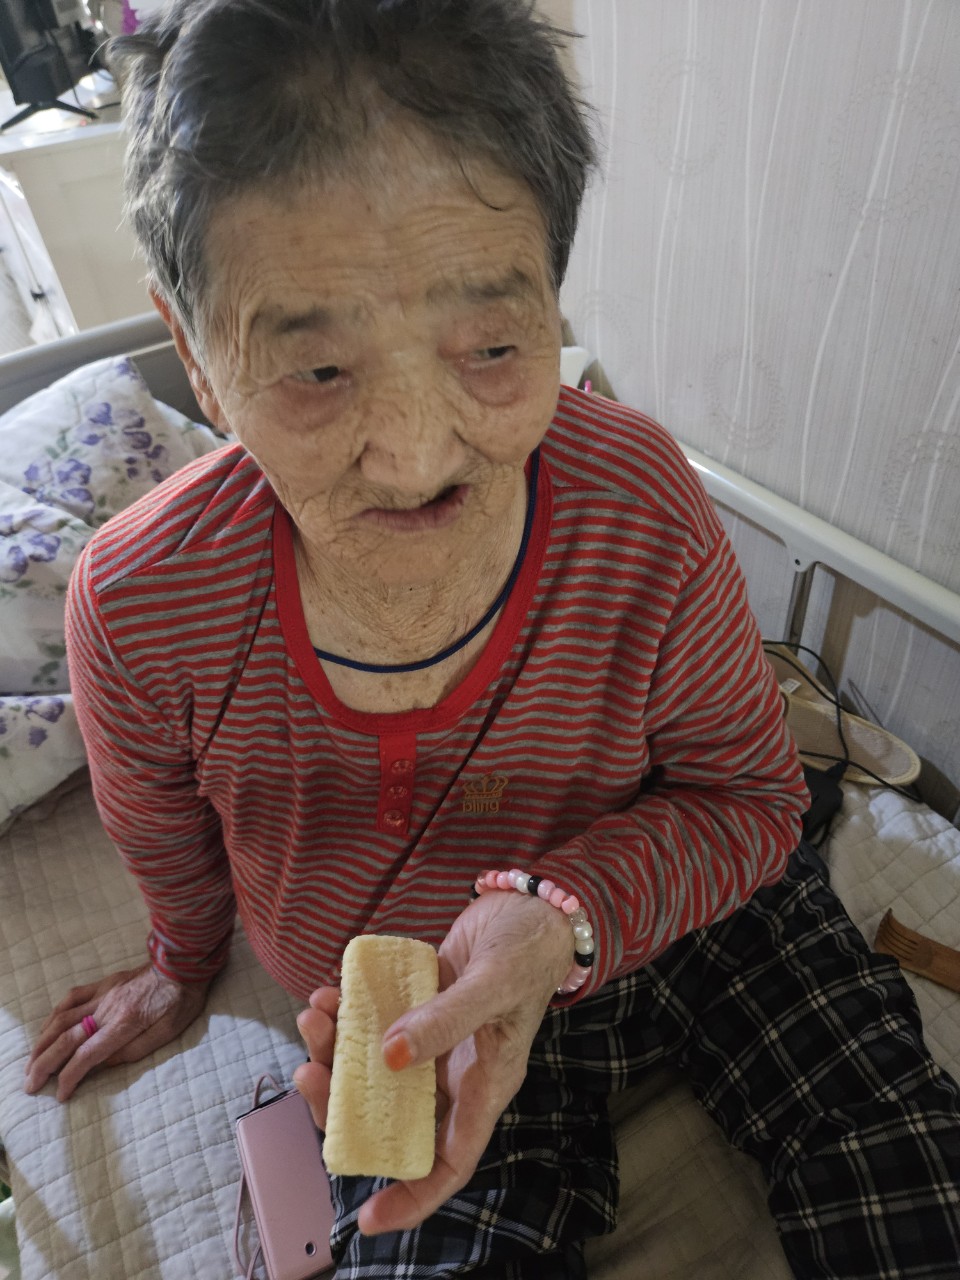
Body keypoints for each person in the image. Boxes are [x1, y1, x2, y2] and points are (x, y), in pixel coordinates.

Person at [23, 2, 960, 1276]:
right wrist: (181, 965)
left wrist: (565, 915)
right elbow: (161, 833)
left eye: (495, 346)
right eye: (318, 372)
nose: (416, 455)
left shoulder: (638, 502)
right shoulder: (144, 603)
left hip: (688, 906)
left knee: (909, 1173)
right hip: (413, 1006)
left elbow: (747, 799)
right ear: (193, 348)